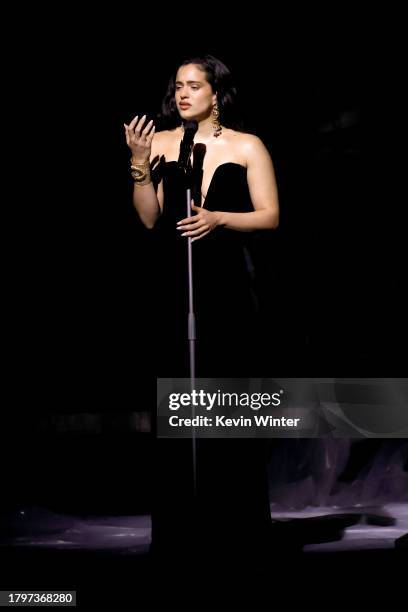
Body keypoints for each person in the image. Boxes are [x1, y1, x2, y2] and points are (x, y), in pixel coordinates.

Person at [124, 55, 280, 566]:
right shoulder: (166, 143)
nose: (184, 94)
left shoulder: (246, 145)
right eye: (178, 86)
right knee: (176, 399)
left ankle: (234, 530)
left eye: (195, 85)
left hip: (226, 286)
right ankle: (179, 530)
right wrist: (140, 163)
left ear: (217, 93)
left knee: (226, 397)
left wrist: (219, 218)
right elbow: (149, 218)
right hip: (175, 284)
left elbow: (270, 216)